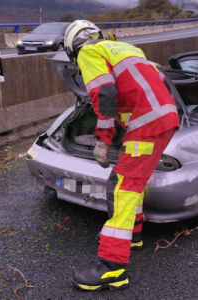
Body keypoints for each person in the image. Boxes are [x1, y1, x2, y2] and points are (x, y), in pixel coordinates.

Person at [64, 20, 180, 291]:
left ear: (74, 48)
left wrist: (103, 140)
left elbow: (104, 95)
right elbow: (157, 81)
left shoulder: (89, 52)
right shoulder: (128, 49)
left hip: (147, 126)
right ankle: (133, 236)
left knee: (122, 188)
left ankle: (112, 269)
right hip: (161, 121)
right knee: (133, 183)